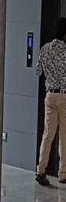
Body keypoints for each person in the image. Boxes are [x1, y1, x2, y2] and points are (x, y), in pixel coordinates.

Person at [36, 17, 66, 185]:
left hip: (50, 96)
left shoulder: (45, 48)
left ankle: (41, 170)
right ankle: (63, 173)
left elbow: (38, 71)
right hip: (64, 96)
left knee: (48, 134)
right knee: (64, 136)